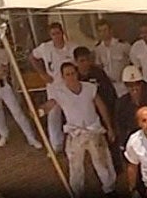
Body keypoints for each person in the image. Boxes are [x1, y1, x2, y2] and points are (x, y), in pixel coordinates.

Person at [39, 62, 117, 196]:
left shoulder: (89, 88)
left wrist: (109, 127)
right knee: (75, 166)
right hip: (75, 133)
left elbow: (101, 107)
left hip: (94, 130)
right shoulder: (59, 92)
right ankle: (77, 192)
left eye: (73, 73)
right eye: (67, 74)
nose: (71, 77)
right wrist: (39, 111)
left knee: (102, 161)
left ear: (77, 73)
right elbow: (49, 105)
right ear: (63, 77)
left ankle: (109, 188)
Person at [30, 22, 81, 152]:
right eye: (53, 34)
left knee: (73, 114)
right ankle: (56, 145)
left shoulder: (72, 47)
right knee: (53, 115)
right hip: (53, 87)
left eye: (58, 33)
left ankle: (78, 141)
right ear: (50, 35)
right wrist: (42, 73)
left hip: (70, 86)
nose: (56, 36)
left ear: (62, 33)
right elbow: (32, 57)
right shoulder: (45, 48)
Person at [94, 19, 132, 98]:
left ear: (110, 30)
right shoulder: (98, 49)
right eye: (100, 31)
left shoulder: (122, 45)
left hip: (123, 84)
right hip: (108, 86)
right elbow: (99, 67)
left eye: (105, 30)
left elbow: (132, 61)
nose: (103, 33)